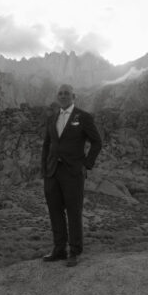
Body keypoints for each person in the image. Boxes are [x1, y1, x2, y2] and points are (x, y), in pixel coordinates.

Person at [41, 83, 102, 266]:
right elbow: (47, 145)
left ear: (74, 96)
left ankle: (74, 251)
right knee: (55, 211)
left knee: (74, 212)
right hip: (53, 172)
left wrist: (86, 164)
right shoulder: (52, 117)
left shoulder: (83, 117)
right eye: (60, 93)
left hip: (73, 172)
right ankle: (59, 249)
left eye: (67, 93)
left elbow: (97, 142)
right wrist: (44, 169)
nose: (63, 96)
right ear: (57, 96)